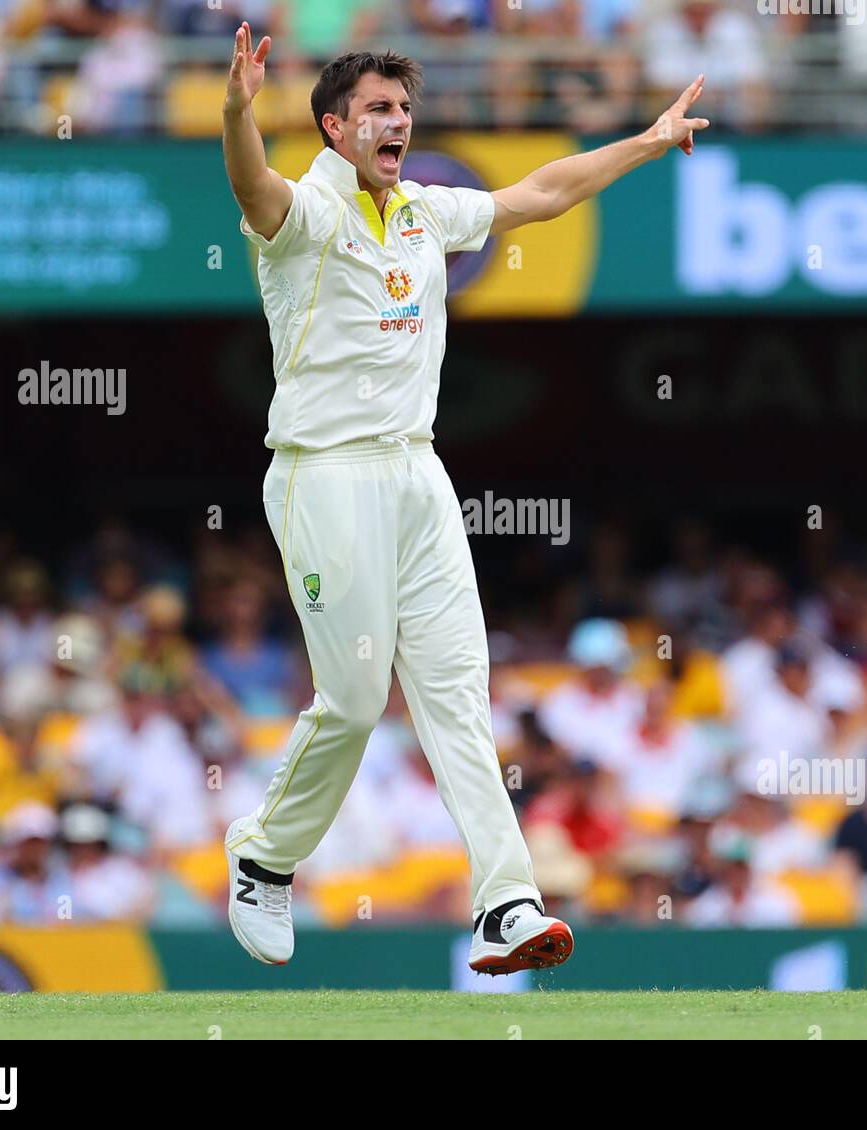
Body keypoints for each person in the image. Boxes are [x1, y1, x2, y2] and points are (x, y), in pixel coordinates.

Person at [219, 27, 709, 973]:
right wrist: (239, 111)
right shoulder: (309, 217)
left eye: (404, 110)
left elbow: (543, 193)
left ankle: (506, 901)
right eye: (377, 111)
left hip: (418, 472)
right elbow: (253, 186)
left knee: (456, 694)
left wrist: (647, 142)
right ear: (334, 127)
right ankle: (264, 857)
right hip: (325, 472)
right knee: (358, 699)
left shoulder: (424, 215)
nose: (397, 123)